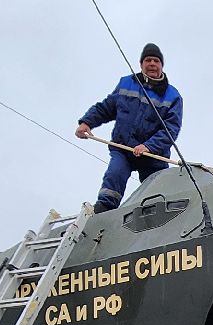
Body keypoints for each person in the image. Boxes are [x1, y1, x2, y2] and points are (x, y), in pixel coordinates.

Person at [76, 43, 184, 211]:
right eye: (148, 60)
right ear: (141, 64)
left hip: (154, 156)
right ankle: (103, 212)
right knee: (114, 175)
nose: (152, 64)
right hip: (123, 148)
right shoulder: (126, 83)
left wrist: (149, 146)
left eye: (156, 61)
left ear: (161, 65)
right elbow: (107, 107)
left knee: (159, 192)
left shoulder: (173, 96)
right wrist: (86, 122)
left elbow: (170, 130)